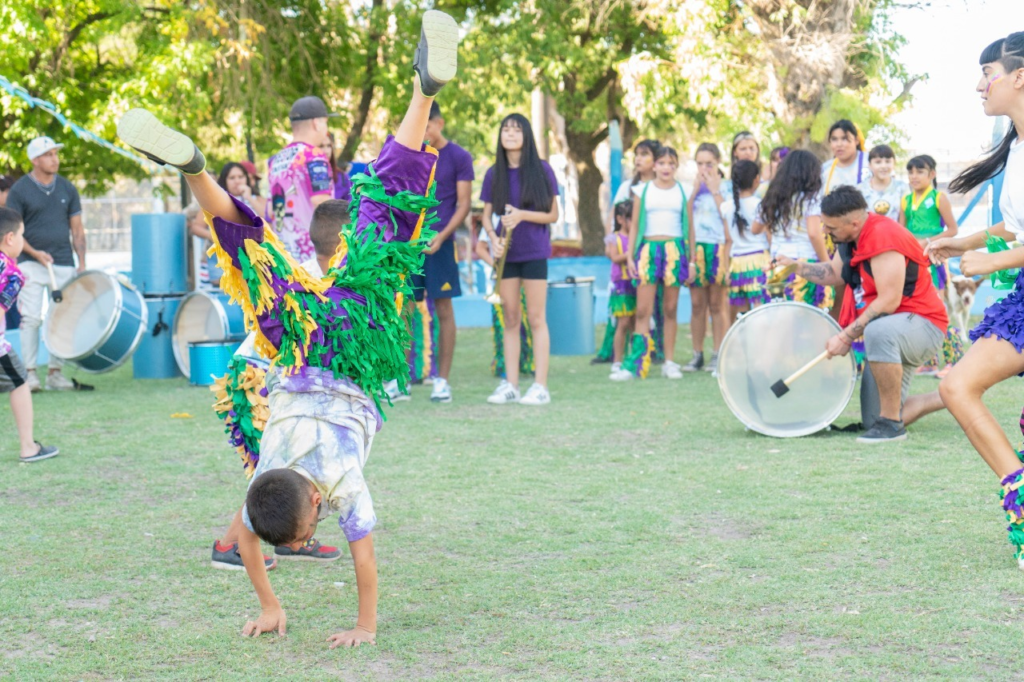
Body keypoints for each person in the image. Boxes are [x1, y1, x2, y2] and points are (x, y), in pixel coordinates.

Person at [116, 8, 459, 645]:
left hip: (350, 343)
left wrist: (362, 626)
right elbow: (251, 539)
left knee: (381, 222)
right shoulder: (265, 478)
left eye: (303, 536)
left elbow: (362, 561)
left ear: (313, 511)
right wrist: (271, 601)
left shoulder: (341, 482)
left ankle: (423, 92)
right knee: (254, 252)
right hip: (304, 338)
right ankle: (196, 169)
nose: (306, 537)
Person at [917, 32, 1024, 569]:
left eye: (988, 74)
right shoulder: (1017, 148)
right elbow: (1015, 227)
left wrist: (992, 263)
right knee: (957, 386)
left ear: (1019, 77)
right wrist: (963, 243)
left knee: (958, 385)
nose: (980, 86)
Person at [210, 201, 348, 571]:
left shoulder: (328, 276)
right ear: (345, 243)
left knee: (295, 466)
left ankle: (293, 538)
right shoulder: (313, 282)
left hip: (270, 379)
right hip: (256, 382)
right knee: (274, 470)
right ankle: (230, 545)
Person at [778, 186, 947, 443]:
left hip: (922, 325)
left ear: (854, 223)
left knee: (876, 330)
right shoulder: (849, 238)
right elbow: (834, 274)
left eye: (830, 227)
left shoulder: (883, 235)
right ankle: (950, 394)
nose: (825, 231)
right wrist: (795, 266)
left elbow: (889, 301)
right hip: (892, 329)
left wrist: (845, 336)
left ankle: (892, 426)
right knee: (872, 419)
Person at [480, 113, 559, 406]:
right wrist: (493, 237)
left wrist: (522, 215)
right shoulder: (493, 174)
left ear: (526, 135)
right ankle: (510, 385)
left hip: (535, 252)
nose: (510, 134)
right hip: (507, 256)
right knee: (511, 319)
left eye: (516, 130)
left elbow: (553, 215)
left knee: (536, 318)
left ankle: (540, 386)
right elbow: (486, 216)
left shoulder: (542, 169)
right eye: (505, 129)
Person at [6, 136, 86, 392]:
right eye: (48, 154)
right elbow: (14, 231)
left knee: (60, 318)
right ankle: (30, 374)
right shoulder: (20, 190)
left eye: (55, 154)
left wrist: (82, 264)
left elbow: (77, 230)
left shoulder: (67, 188)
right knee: (31, 318)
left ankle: (55, 373)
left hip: (63, 262)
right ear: (35, 160)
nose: (55, 159)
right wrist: (35, 253)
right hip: (30, 262)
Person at [411, 101, 474, 403]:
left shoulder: (459, 157)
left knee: (444, 310)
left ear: (440, 123)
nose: (422, 131)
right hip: (410, 246)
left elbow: (464, 204)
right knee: (404, 308)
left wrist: (441, 236)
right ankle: (400, 379)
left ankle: (442, 381)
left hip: (442, 245)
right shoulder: (411, 154)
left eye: (427, 125)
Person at [611, 145, 689, 381]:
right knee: (643, 310)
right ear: (654, 166)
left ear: (676, 167)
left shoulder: (683, 191)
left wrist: (692, 260)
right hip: (648, 250)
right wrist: (631, 256)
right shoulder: (642, 190)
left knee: (670, 309)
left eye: (671, 163)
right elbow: (635, 225)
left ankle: (669, 362)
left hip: (674, 249)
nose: (666, 168)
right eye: (662, 163)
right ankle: (637, 363)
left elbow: (690, 226)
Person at [0, 207, 59, 462]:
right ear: (10, 238)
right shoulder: (11, 274)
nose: (23, 241)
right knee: (21, 382)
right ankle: (28, 447)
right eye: (22, 235)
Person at [595, 139, 661, 365]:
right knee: (624, 310)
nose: (639, 159)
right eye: (637, 155)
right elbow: (613, 216)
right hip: (628, 253)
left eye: (645, 154)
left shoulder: (661, 186)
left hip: (653, 252)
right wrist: (611, 244)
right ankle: (616, 354)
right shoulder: (627, 188)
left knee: (654, 305)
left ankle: (653, 349)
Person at [899, 154, 962, 377]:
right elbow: (900, 231)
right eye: (910, 172)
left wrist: (927, 241)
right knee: (918, 309)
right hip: (912, 262)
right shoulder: (905, 201)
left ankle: (954, 360)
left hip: (933, 260)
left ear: (932, 174)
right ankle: (929, 361)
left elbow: (953, 230)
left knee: (938, 308)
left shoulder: (938, 198)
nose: (914, 176)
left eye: (920, 171)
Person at [752, 149, 832, 310]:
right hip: (804, 266)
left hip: (777, 265)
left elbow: (755, 229)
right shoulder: (811, 199)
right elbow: (814, 234)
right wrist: (827, 265)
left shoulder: (772, 197)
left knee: (780, 318)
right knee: (806, 318)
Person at [265, 95, 336, 261]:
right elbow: (321, 201)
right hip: (313, 254)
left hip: (285, 254)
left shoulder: (276, 160)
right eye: (326, 122)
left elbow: (269, 210)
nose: (326, 129)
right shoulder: (313, 155)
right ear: (316, 123)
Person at [684, 142, 731, 374]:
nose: (704, 169)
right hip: (697, 248)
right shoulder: (690, 189)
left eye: (709, 164)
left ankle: (718, 352)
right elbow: (686, 220)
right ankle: (697, 354)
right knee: (697, 304)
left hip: (719, 248)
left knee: (717, 304)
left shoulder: (727, 188)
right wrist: (694, 191)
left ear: (718, 162)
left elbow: (728, 217)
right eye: (700, 163)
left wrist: (714, 190)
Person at [475, 229, 534, 379]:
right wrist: (496, 265)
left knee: (526, 324)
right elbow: (480, 248)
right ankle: (504, 365)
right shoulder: (492, 224)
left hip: (522, 279)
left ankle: (526, 362)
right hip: (501, 280)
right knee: (503, 325)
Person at [722, 160, 769, 320]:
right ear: (756, 180)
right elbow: (769, 235)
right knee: (761, 311)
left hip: (737, 264)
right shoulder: (760, 205)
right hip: (760, 262)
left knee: (742, 317)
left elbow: (728, 240)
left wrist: (726, 270)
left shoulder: (726, 207)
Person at [605, 200, 636, 375]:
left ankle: (633, 358)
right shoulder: (614, 238)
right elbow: (615, 257)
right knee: (622, 323)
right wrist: (630, 254)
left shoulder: (637, 237)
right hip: (621, 286)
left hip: (635, 284)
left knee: (634, 324)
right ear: (620, 219)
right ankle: (617, 360)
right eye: (629, 218)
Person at [857, 145, 908, 222]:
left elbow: (905, 217)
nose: (883, 166)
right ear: (869, 165)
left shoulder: (902, 188)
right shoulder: (860, 190)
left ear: (894, 163)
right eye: (878, 162)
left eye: (887, 161)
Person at [320, 132, 353, 203]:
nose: (326, 151)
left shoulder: (342, 177)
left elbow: (351, 205)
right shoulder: (304, 176)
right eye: (321, 146)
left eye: (329, 146)